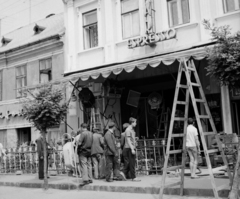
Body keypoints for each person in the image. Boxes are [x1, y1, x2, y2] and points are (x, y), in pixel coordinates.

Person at [122, 117, 141, 182]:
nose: (136, 123)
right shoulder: (128, 130)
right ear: (132, 122)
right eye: (135, 122)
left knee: (131, 162)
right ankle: (133, 177)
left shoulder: (131, 129)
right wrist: (132, 149)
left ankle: (123, 173)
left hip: (130, 147)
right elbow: (128, 140)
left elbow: (130, 139)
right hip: (129, 148)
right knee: (132, 163)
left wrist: (135, 139)